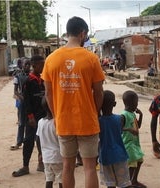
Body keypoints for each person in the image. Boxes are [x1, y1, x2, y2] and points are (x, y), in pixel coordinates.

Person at [41, 16, 105, 188]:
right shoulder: (91, 58)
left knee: (67, 167)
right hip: (87, 121)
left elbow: (48, 92)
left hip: (64, 122)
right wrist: (95, 111)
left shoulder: (51, 59)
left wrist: (56, 115)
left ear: (68, 33)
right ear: (83, 33)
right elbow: (99, 92)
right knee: (90, 168)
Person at [12, 55, 45, 177]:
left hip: (43, 116)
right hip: (32, 117)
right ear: (34, 66)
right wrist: (30, 117)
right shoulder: (29, 81)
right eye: (42, 65)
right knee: (29, 141)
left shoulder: (43, 80)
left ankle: (41, 162)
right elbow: (26, 101)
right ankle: (25, 166)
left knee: (42, 140)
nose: (43, 67)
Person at [99, 90, 131, 188]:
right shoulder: (120, 119)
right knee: (124, 183)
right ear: (115, 104)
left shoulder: (98, 121)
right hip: (119, 155)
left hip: (105, 156)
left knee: (110, 184)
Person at [121, 90, 146, 188]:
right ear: (131, 103)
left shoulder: (132, 114)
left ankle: (134, 180)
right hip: (128, 144)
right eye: (136, 102)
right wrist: (129, 129)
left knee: (140, 160)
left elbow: (138, 126)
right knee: (132, 164)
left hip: (135, 143)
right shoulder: (124, 115)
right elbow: (119, 128)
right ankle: (128, 184)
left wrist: (141, 115)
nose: (137, 104)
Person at [36, 97, 63, 188]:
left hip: (46, 157)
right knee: (61, 179)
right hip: (58, 156)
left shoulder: (40, 122)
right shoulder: (57, 122)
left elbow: (38, 139)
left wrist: (40, 152)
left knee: (49, 179)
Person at [10, 57, 31, 150]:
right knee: (22, 122)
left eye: (28, 65)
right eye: (25, 64)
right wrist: (21, 97)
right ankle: (19, 142)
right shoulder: (17, 77)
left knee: (31, 121)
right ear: (21, 65)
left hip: (31, 101)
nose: (27, 66)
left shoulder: (32, 75)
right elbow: (15, 91)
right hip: (22, 102)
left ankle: (31, 140)